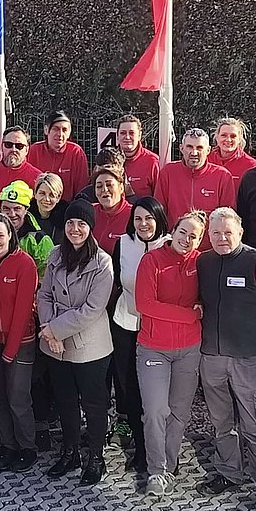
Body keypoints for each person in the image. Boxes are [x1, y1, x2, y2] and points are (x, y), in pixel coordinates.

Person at [196, 207, 256, 511]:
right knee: (221, 422)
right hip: (212, 356)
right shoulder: (204, 262)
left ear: (240, 232)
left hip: (247, 359)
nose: (222, 238)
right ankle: (229, 471)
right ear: (208, 236)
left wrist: (253, 334)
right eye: (216, 233)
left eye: (228, 232)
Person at [36, 199, 115, 485]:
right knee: (65, 400)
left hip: (89, 345)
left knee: (94, 403)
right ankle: (70, 452)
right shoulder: (56, 254)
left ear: (90, 227)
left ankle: (96, 456)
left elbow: (92, 310)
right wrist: (48, 329)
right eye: (70, 222)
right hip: (55, 344)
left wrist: (55, 330)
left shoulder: (102, 262)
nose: (75, 229)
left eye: (82, 223)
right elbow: (44, 294)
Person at [136, 210, 208, 497]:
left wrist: (200, 306)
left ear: (200, 240)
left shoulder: (201, 262)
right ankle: (156, 470)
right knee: (155, 410)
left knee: (179, 411)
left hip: (189, 349)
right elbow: (145, 304)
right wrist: (189, 315)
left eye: (194, 236)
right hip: (154, 347)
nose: (186, 239)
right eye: (183, 232)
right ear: (173, 231)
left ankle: (168, 463)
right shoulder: (152, 260)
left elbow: (207, 296)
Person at [109, 196, 170, 482]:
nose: (143, 224)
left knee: (155, 393)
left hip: (158, 328)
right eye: (138, 219)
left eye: (149, 218)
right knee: (128, 386)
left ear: (159, 219)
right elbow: (116, 283)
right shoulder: (123, 244)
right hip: (126, 323)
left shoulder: (169, 245)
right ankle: (139, 445)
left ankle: (161, 446)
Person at [0, 211, 39, 472]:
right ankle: (8, 444)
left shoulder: (24, 263)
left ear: (10, 236)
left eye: (0, 235)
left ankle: (27, 447)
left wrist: (11, 350)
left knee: (18, 398)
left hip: (20, 341)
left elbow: (23, 311)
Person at [158, 127, 235, 223]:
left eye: (199, 148)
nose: (194, 153)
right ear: (181, 148)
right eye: (189, 147)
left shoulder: (223, 176)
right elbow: (159, 211)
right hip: (175, 232)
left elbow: (227, 217)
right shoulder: (168, 172)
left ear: (208, 150)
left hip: (209, 233)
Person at [28, 111, 89, 201]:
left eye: (64, 130)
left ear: (69, 133)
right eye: (55, 129)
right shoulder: (34, 151)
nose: (60, 134)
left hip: (67, 206)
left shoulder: (76, 152)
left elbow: (82, 188)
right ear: (46, 130)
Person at [0, 181, 54, 274]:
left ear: (26, 210)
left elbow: (47, 275)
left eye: (17, 208)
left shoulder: (39, 240)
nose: (12, 214)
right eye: (6, 209)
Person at [89, 163, 132, 255]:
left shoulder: (134, 214)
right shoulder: (89, 211)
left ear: (121, 187)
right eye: (99, 186)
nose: (104, 189)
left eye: (109, 185)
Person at [116, 115, 160, 198]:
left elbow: (159, 198)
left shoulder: (152, 161)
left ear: (139, 135)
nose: (127, 137)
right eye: (123, 133)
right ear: (117, 136)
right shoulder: (109, 160)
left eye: (132, 133)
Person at [0, 125, 42, 195]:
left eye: (19, 146)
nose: (13, 149)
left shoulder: (37, 178)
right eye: (8, 145)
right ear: (2, 147)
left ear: (27, 150)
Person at [212, 117, 256, 185]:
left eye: (233, 136)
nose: (228, 140)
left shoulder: (251, 166)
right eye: (224, 135)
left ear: (239, 139)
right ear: (217, 138)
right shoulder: (206, 160)